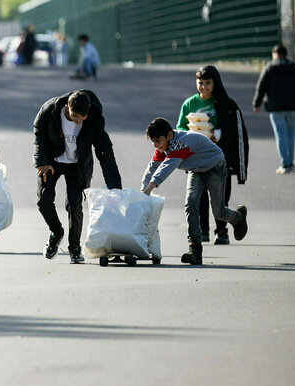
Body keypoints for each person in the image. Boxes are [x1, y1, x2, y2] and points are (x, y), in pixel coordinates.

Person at [141, 117, 248, 265]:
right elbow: (152, 167)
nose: (155, 145)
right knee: (190, 204)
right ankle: (195, 251)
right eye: (152, 141)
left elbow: (166, 168)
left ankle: (238, 218)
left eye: (157, 140)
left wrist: (149, 189)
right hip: (196, 170)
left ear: (169, 136)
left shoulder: (181, 143)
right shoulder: (162, 147)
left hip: (215, 167)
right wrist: (142, 190)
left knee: (218, 212)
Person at [33, 90, 122, 263]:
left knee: (74, 204)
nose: (78, 121)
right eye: (74, 116)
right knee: (43, 200)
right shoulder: (50, 109)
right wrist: (42, 160)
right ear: (67, 106)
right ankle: (56, 232)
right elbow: (39, 131)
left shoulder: (94, 118)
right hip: (52, 161)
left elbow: (105, 151)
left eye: (82, 117)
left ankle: (74, 248)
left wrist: (115, 185)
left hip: (78, 165)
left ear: (88, 110)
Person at [176, 65, 249, 245]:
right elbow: (180, 128)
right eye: (200, 83)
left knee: (220, 197)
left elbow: (236, 134)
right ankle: (203, 231)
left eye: (208, 83)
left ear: (214, 83)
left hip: (219, 160)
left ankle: (222, 231)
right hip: (196, 158)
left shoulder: (226, 105)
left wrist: (216, 136)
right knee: (197, 196)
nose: (204, 87)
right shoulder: (189, 104)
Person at [252, 44, 295, 174]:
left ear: (275, 54)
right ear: (286, 54)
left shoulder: (269, 68)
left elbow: (261, 87)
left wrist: (257, 103)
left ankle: (285, 163)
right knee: (290, 134)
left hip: (275, 108)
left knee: (280, 135)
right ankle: (290, 161)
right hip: (293, 107)